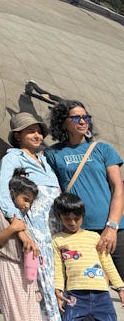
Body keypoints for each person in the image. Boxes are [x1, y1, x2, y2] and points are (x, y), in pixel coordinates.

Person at [0, 112, 61, 321]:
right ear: (18, 135)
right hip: (34, 234)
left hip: (54, 235)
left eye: (39, 131)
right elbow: (2, 191)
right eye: (30, 131)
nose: (37, 135)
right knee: (42, 292)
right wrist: (21, 231)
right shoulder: (13, 158)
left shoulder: (43, 159)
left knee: (56, 289)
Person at [45, 100, 124, 277]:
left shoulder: (102, 149)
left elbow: (118, 187)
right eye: (76, 118)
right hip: (75, 229)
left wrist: (112, 226)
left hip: (111, 228)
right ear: (63, 122)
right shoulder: (53, 154)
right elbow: (54, 192)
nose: (82, 121)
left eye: (85, 117)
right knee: (82, 282)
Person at [52, 192, 124, 321]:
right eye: (67, 219)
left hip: (102, 296)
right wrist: (58, 291)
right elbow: (59, 268)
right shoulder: (57, 240)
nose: (72, 223)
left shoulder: (94, 237)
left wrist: (121, 288)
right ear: (60, 216)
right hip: (74, 296)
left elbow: (107, 264)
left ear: (83, 216)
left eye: (76, 218)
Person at [0, 170, 42, 321]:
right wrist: (12, 229)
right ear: (12, 193)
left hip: (27, 268)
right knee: (16, 317)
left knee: (33, 317)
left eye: (30, 202)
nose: (27, 205)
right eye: (25, 199)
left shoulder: (25, 218)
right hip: (8, 266)